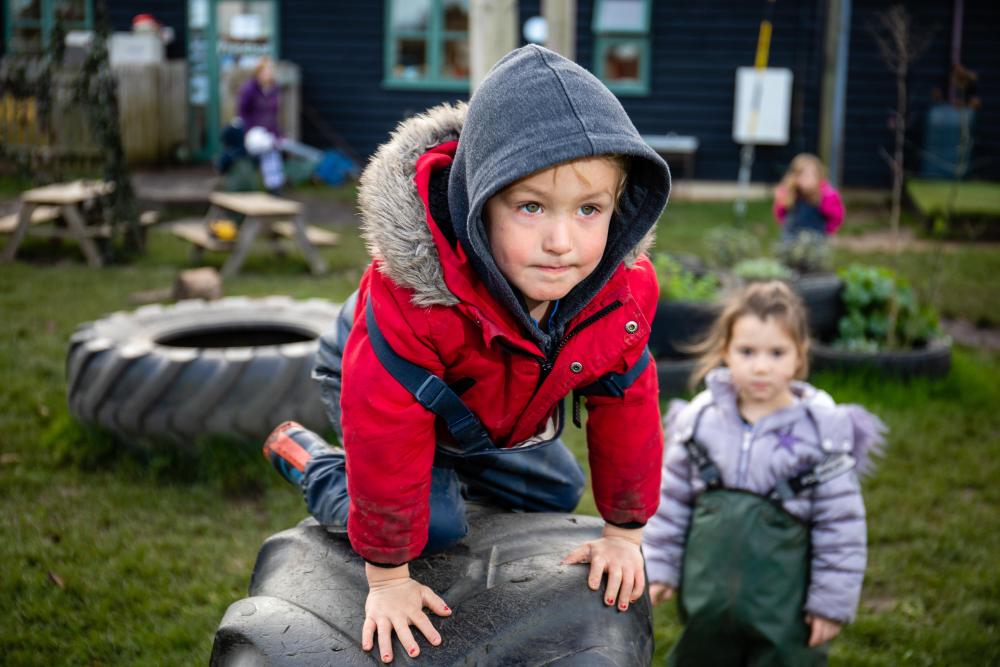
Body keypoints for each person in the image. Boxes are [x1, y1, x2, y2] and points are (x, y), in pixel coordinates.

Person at [261, 45, 671, 663]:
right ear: (478, 202)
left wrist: (623, 533)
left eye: (589, 210)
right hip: (382, 384)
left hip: (489, 411)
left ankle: (448, 474)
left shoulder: (620, 294)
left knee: (556, 489)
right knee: (434, 527)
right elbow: (385, 421)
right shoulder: (414, 300)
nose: (561, 242)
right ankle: (312, 461)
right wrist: (390, 579)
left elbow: (628, 401)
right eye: (530, 207)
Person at [643, 281, 886, 666]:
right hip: (707, 601)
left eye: (776, 352)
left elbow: (841, 527)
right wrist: (659, 567)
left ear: (799, 356)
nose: (761, 366)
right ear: (726, 352)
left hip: (784, 609)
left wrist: (830, 603)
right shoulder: (699, 423)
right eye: (747, 351)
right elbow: (670, 503)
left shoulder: (820, 435)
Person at [236, 56, 284, 191]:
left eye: (270, 71)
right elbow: (242, 113)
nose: (268, 74)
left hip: (268, 133)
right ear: (258, 72)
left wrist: (277, 134)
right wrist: (248, 131)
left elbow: (273, 116)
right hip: (253, 132)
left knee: (273, 147)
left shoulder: (274, 89)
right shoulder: (249, 89)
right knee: (268, 149)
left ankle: (274, 186)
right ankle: (273, 186)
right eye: (265, 71)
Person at [773, 154, 844, 239]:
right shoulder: (790, 193)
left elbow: (836, 216)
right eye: (802, 175)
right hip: (790, 237)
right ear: (794, 176)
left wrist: (828, 231)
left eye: (810, 176)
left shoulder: (825, 195)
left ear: (818, 176)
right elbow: (780, 213)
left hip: (814, 239)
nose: (806, 179)